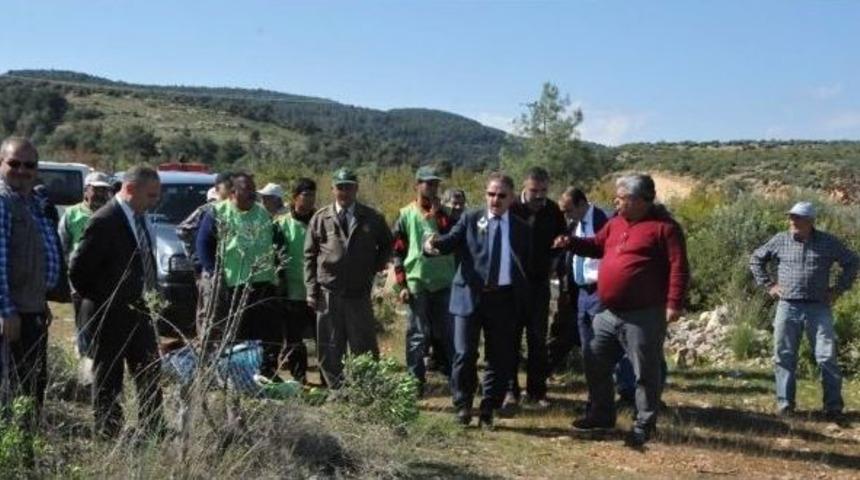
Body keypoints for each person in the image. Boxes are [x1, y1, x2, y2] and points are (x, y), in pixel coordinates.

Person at [555, 173, 689, 447]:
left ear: (640, 200)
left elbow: (679, 267)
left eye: (621, 197)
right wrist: (571, 243)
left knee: (645, 371)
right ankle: (602, 415)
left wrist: (674, 303)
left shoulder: (665, 228)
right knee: (594, 358)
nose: (615, 201)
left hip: (643, 314)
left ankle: (644, 424)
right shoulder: (616, 223)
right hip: (609, 312)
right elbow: (596, 246)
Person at [424, 172, 532, 428]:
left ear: (511, 197)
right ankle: (462, 405)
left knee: (499, 357)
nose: (495, 200)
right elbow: (448, 242)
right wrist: (432, 246)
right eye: (491, 194)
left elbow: (527, 264)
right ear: (485, 195)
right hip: (468, 296)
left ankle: (488, 407)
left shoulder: (521, 229)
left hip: (503, 299)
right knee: (463, 353)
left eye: (502, 195)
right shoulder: (470, 219)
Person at [70, 165, 165, 438]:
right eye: (151, 195)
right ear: (131, 189)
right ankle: (108, 434)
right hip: (108, 314)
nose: (154, 201)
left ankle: (154, 430)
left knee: (148, 371)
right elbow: (78, 270)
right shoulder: (105, 220)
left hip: (140, 313)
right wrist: (105, 300)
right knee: (109, 377)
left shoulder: (141, 218)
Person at [750, 201, 858, 419]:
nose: (792, 221)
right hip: (788, 305)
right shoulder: (780, 240)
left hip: (819, 307)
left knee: (826, 356)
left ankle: (833, 408)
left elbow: (853, 262)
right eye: (791, 217)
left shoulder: (827, 242)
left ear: (810, 221)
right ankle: (785, 405)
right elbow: (756, 259)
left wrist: (837, 290)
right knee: (784, 355)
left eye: (797, 218)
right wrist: (770, 285)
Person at [304, 167, 392, 387]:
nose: (344, 192)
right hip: (328, 293)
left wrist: (375, 267)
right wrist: (311, 290)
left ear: (356, 189)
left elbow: (387, 245)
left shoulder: (372, 217)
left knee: (364, 345)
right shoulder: (320, 218)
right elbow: (309, 255)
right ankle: (336, 389)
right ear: (333, 189)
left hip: (358, 293)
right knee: (330, 345)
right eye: (340, 187)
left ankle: (367, 389)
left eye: (349, 187)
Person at [0, 137, 63, 422]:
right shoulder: (2, 202)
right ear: (1, 163)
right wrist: (6, 310)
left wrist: (41, 300)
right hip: (12, 316)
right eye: (14, 163)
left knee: (32, 385)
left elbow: (35, 258)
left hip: (33, 309)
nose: (22, 170)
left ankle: (26, 452)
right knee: (11, 391)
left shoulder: (34, 202)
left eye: (29, 165)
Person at [196, 172, 282, 380]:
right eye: (248, 190)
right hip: (233, 284)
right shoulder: (218, 212)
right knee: (237, 334)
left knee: (268, 332)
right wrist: (214, 272)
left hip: (263, 282)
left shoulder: (262, 212)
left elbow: (276, 239)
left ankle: (267, 371)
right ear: (233, 192)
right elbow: (203, 244)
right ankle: (239, 374)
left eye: (254, 189)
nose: (253, 194)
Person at [392, 166, 456, 393]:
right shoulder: (406, 214)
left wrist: (439, 213)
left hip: (444, 282)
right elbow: (398, 251)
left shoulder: (446, 214)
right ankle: (414, 382)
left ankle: (455, 381)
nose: (432, 187)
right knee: (417, 334)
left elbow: (452, 239)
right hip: (417, 281)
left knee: (447, 333)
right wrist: (401, 285)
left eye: (435, 184)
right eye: (428, 183)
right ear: (417, 185)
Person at [506, 167, 566, 410]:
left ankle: (536, 391)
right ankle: (510, 391)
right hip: (509, 286)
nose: (539, 196)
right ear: (524, 187)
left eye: (544, 191)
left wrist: (555, 257)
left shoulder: (552, 210)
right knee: (509, 340)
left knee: (537, 341)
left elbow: (562, 238)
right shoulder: (510, 208)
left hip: (539, 285)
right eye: (534, 191)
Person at [59, 171, 112, 357]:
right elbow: (63, 246)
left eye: (104, 191)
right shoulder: (72, 214)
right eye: (96, 189)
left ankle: (101, 353)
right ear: (86, 191)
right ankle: (84, 357)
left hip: (106, 276)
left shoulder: (111, 213)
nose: (100, 194)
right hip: (80, 277)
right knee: (82, 318)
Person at [176, 172, 232, 333]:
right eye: (227, 187)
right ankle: (206, 350)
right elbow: (183, 230)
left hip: (232, 271)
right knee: (208, 312)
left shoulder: (237, 210)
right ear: (217, 189)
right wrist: (196, 259)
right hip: (209, 270)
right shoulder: (208, 210)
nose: (230, 191)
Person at [274, 177, 317, 384]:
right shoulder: (281, 224)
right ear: (294, 197)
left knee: (323, 337)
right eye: (305, 195)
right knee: (294, 338)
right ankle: (300, 379)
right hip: (292, 290)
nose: (309, 200)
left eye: (312, 195)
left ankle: (329, 377)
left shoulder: (320, 221)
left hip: (317, 290)